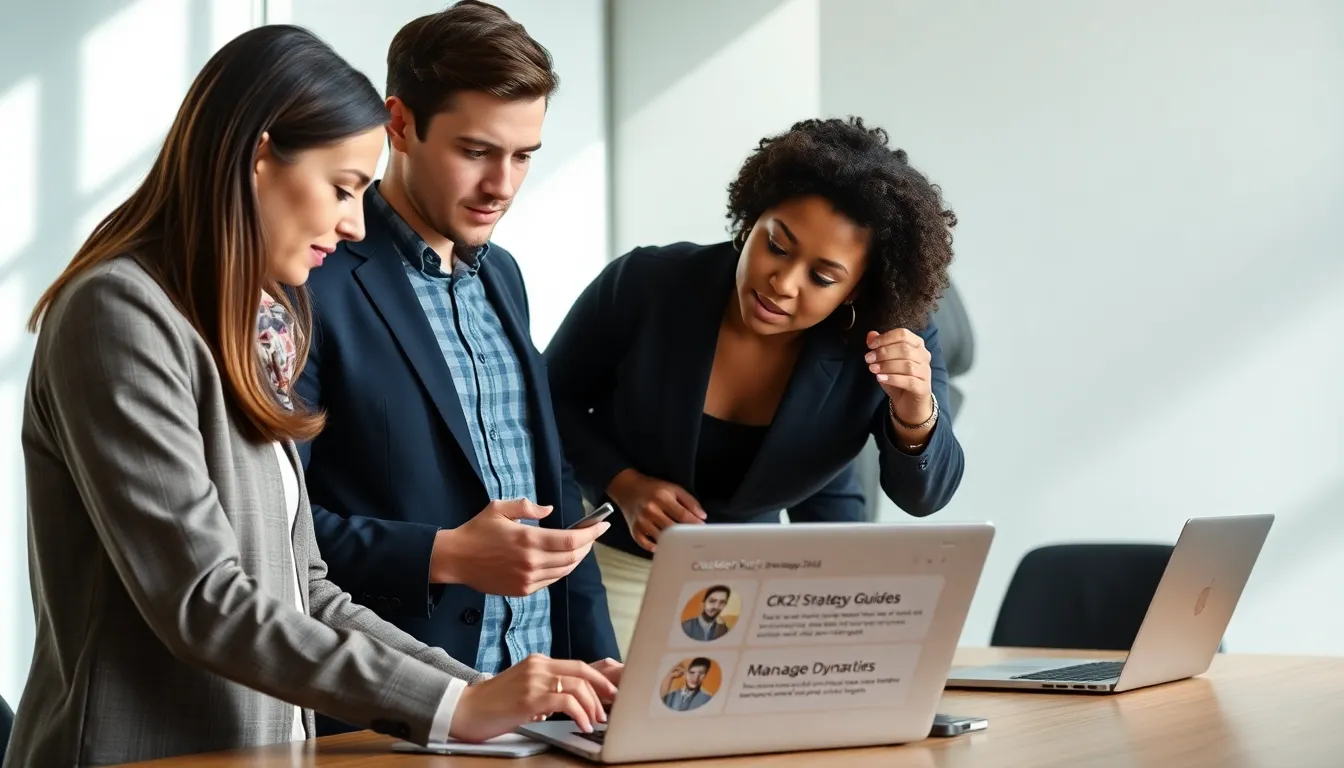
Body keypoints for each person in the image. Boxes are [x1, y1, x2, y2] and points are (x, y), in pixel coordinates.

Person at [6, 25, 613, 768]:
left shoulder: (257, 319)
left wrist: (494, 696)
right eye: (342, 187)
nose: (355, 222)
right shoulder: (119, 313)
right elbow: (203, 601)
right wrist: (458, 702)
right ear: (260, 156)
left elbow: (307, 589)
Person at [292, 1, 619, 733]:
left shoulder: (504, 276)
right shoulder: (312, 283)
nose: (502, 184)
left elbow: (556, 497)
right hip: (398, 715)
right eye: (476, 151)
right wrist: (443, 556)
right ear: (399, 125)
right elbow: (277, 528)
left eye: (524, 155)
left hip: (551, 713)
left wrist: (600, 669)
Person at [545, 117, 966, 652]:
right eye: (777, 245)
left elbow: (925, 495)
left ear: (859, 288)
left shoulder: (891, 338)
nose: (783, 283)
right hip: (613, 573)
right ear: (752, 220)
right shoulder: (647, 284)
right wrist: (621, 483)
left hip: (767, 593)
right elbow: (545, 404)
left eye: (823, 277)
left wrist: (915, 410)